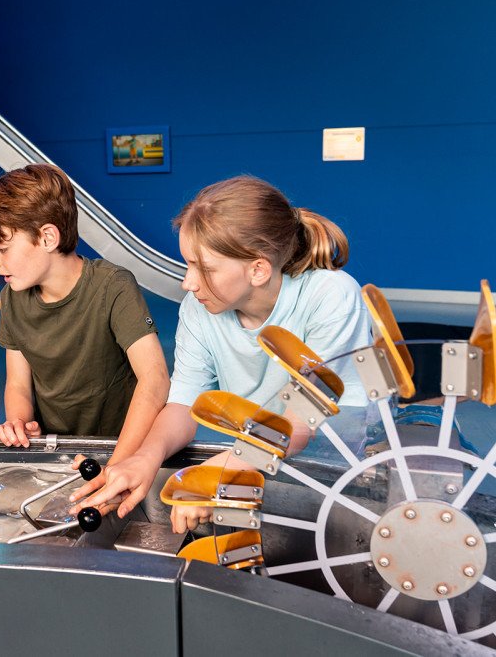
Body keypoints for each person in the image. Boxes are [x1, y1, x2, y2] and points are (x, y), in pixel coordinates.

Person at [70, 175, 371, 530]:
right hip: (253, 457)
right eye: (188, 264)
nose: (188, 282)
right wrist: (146, 457)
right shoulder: (199, 309)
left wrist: (220, 471)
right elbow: (183, 403)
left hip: (331, 474)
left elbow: (302, 421)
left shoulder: (331, 296)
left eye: (205, 268)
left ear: (257, 269)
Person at [0, 164, 169, 464]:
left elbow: (155, 380)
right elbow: (18, 384)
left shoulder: (112, 285)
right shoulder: (12, 298)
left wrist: (116, 464)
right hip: (57, 451)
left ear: (47, 238)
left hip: (122, 447)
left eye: (2, 248)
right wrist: (19, 423)